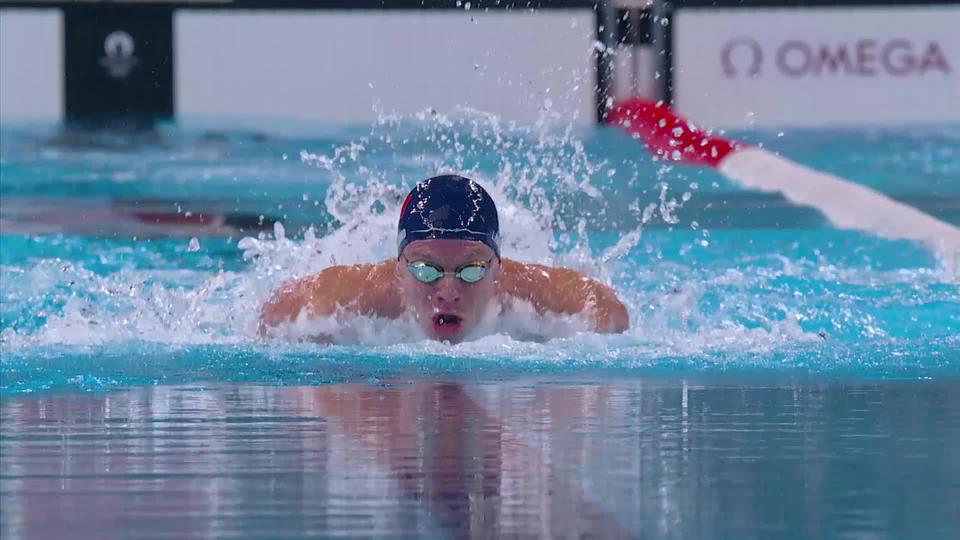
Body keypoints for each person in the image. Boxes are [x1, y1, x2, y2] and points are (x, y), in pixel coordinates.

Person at [259, 174, 629, 343]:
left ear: (497, 272)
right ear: (399, 270)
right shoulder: (355, 296)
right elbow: (274, 314)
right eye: (425, 269)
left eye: (470, 270)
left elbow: (609, 311)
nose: (448, 290)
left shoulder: (529, 293)